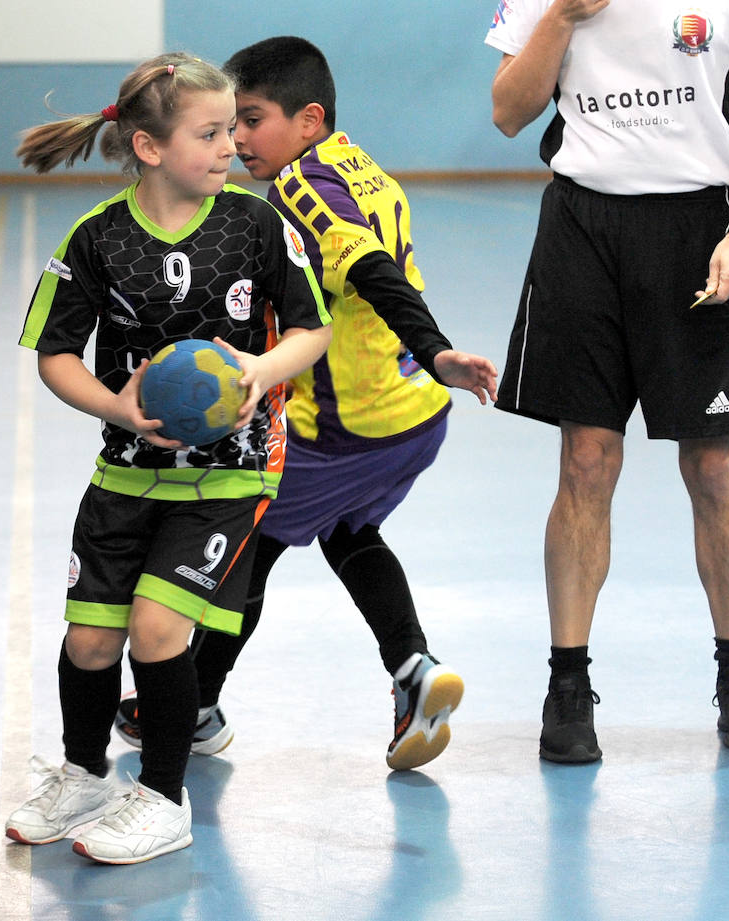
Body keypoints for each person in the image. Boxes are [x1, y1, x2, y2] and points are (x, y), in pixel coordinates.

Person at [114, 36, 499, 773]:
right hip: (411, 416)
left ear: (309, 120)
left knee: (246, 551)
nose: (237, 140)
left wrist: (441, 348)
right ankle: (414, 668)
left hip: (342, 427)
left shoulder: (300, 190)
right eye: (227, 125)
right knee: (348, 532)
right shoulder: (362, 169)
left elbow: (377, 274)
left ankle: (194, 701)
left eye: (249, 121)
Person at [3, 52, 332, 864]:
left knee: (156, 629)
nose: (231, 148)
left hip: (229, 474)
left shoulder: (256, 226)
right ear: (149, 148)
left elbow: (312, 329)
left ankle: (161, 796)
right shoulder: (97, 239)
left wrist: (258, 370)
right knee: (90, 640)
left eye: (234, 131)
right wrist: (116, 406)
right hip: (124, 473)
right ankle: (82, 775)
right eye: (211, 133)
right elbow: (55, 354)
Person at [484, 0, 729, 762]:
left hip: (700, 223)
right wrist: (562, 17)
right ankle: (568, 686)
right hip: (582, 226)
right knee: (587, 460)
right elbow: (507, 112)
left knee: (714, 463)